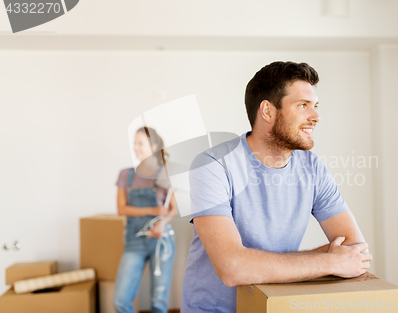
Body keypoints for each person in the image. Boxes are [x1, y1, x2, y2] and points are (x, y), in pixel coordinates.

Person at [181, 61, 372, 312]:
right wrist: (329, 261)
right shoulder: (212, 165)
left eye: (314, 106)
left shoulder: (312, 168)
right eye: (303, 105)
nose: (315, 116)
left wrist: (260, 263)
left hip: (275, 305)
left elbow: (355, 250)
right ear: (268, 112)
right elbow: (233, 268)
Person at [114, 126, 177, 313]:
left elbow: (172, 210)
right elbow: (121, 209)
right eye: (135, 143)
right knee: (120, 300)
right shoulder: (126, 174)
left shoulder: (165, 174)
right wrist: (153, 209)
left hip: (162, 241)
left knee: (158, 303)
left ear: (153, 146)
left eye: (140, 143)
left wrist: (162, 222)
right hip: (135, 241)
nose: (136, 147)